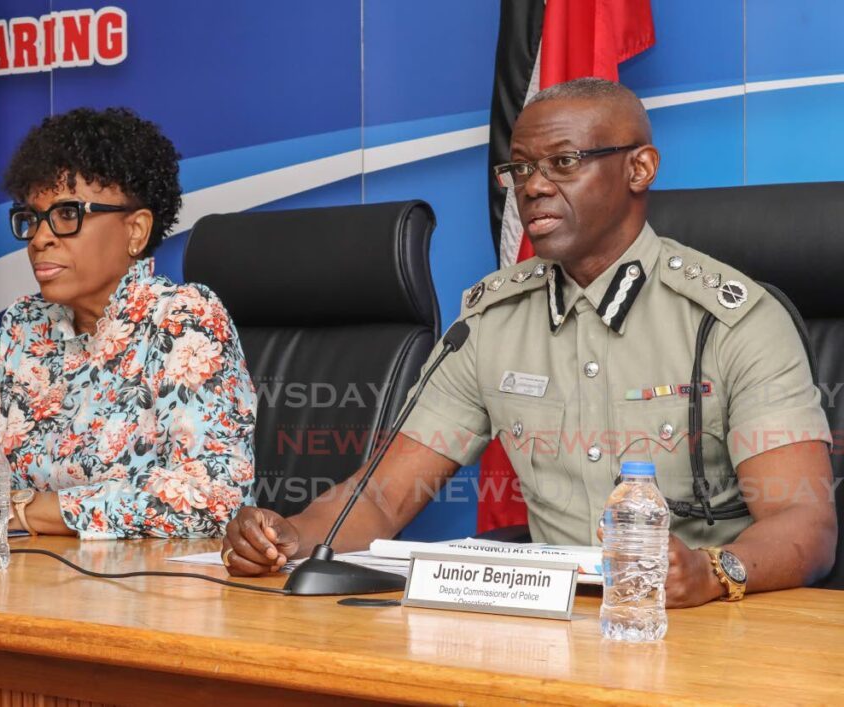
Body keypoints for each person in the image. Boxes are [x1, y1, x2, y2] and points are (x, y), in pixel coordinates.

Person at [222, 78, 837, 607]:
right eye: (519, 167)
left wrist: (711, 573)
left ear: (639, 168)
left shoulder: (732, 320)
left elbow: (805, 525)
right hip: (546, 626)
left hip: (701, 626)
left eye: (564, 162)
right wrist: (289, 537)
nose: (533, 186)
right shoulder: (490, 321)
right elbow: (383, 495)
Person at [0, 107, 257, 538]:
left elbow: (211, 496)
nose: (39, 238)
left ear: (136, 231)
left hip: (149, 591)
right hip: (30, 576)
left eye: (68, 214)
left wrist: (21, 509)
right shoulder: (25, 325)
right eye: (32, 218)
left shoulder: (183, 318)